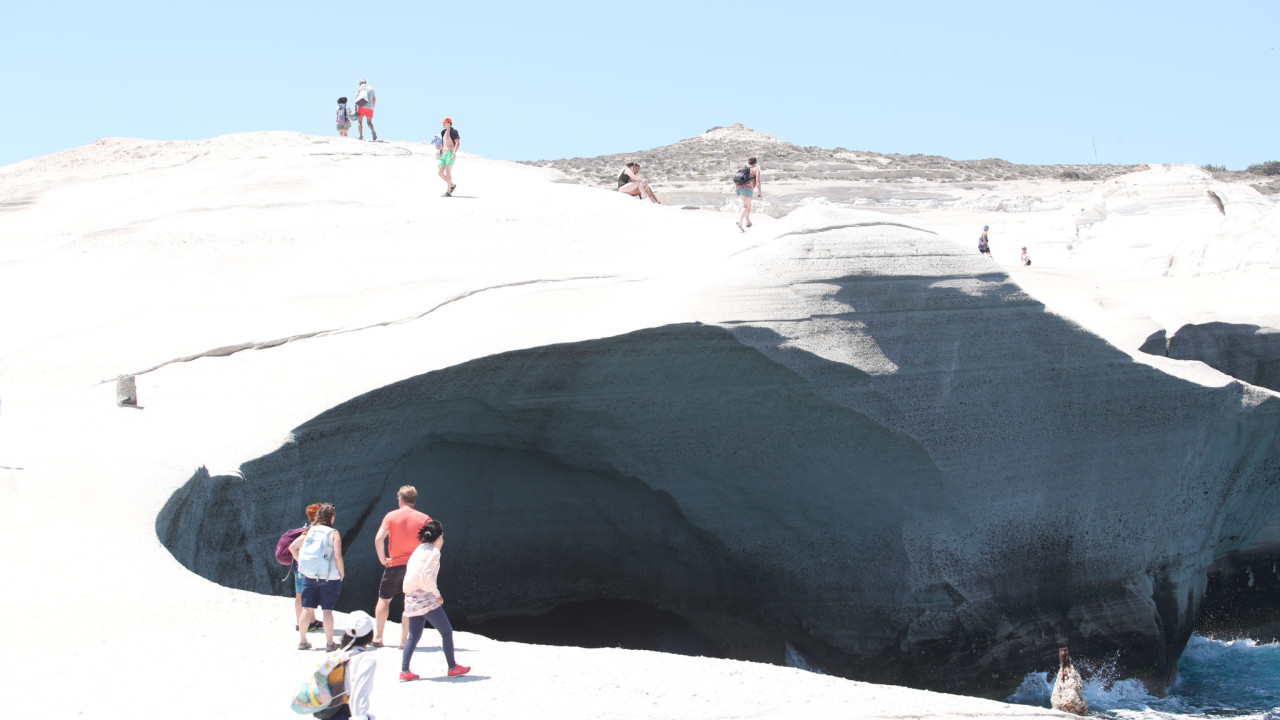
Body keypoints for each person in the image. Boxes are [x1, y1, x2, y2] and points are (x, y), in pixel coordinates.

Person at [399, 519, 470, 681]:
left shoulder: (419, 549)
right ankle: (452, 667)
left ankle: (404, 671)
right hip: (426, 598)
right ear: (439, 537)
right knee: (446, 632)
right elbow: (427, 577)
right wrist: (437, 595)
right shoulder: (434, 552)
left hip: (411, 597)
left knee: (413, 636)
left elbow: (411, 571)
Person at [373, 485, 432, 648]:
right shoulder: (424, 518)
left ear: (400, 500)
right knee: (410, 602)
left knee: (384, 600)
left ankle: (378, 637)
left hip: (394, 564)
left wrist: (383, 558)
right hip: (414, 566)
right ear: (414, 500)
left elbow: (379, 539)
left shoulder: (391, 516)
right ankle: (404, 641)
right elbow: (434, 542)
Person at [291, 502, 345, 651]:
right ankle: (329, 644)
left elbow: (292, 547)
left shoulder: (310, 531)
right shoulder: (333, 533)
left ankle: (303, 641)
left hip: (309, 576)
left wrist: (301, 563)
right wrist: (342, 573)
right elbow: (338, 556)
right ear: (331, 517)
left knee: (307, 608)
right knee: (327, 610)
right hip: (329, 577)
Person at [325, 610, 379, 720]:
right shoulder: (366, 659)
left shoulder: (337, 655)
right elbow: (359, 692)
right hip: (347, 712)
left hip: (330, 711)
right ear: (370, 635)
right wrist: (359, 717)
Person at [292, 503, 324, 633]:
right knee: (301, 596)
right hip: (303, 569)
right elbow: (292, 547)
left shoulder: (312, 529)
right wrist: (301, 563)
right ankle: (301, 623)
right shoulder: (310, 531)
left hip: (304, 568)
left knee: (307, 595)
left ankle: (311, 621)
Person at [735, 157, 762, 232]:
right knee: (746, 206)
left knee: (748, 205)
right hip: (747, 189)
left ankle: (747, 222)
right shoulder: (756, 169)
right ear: (755, 162)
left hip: (738, 188)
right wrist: (759, 193)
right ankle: (740, 222)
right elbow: (758, 182)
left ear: (748, 162)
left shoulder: (744, 168)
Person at [438, 118, 460, 196]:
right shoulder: (443, 132)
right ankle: (452, 185)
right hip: (444, 154)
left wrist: (453, 153)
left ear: (449, 123)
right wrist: (439, 150)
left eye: (444, 123)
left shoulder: (454, 132)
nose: (443, 124)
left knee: (448, 171)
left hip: (450, 152)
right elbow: (443, 144)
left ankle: (448, 192)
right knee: (440, 172)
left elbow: (457, 143)